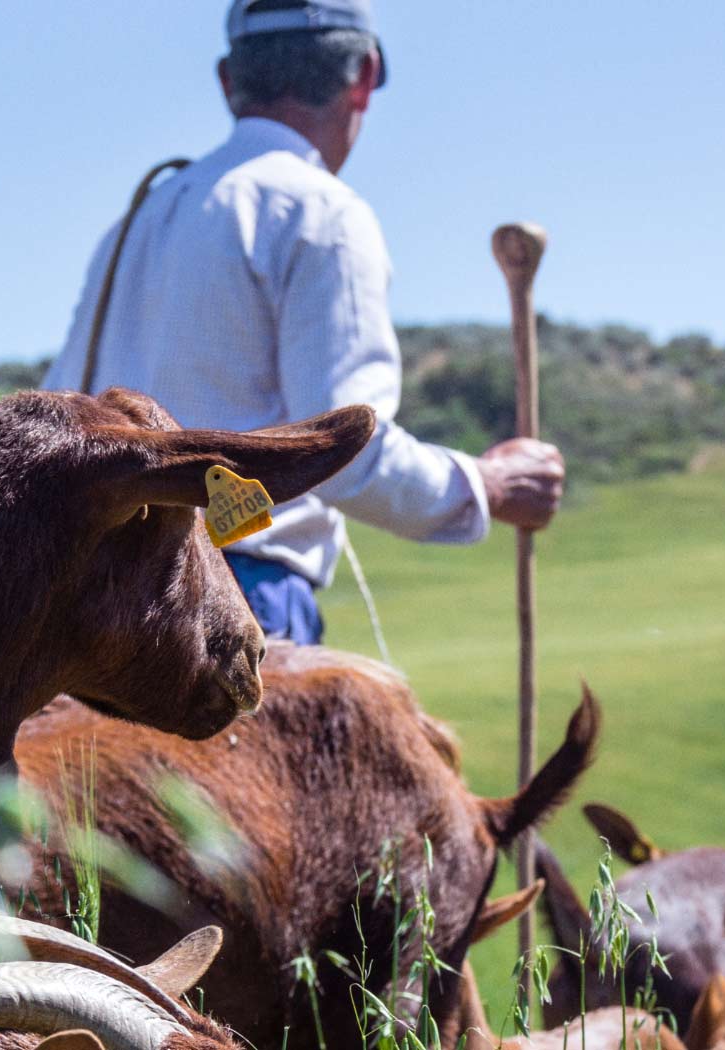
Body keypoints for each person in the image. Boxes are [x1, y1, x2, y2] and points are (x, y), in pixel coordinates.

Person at [44, 0, 564, 645]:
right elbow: (342, 450)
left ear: (229, 80)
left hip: (80, 621)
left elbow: (62, 421)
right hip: (229, 607)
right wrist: (485, 485)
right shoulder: (321, 214)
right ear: (366, 76)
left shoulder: (134, 224)